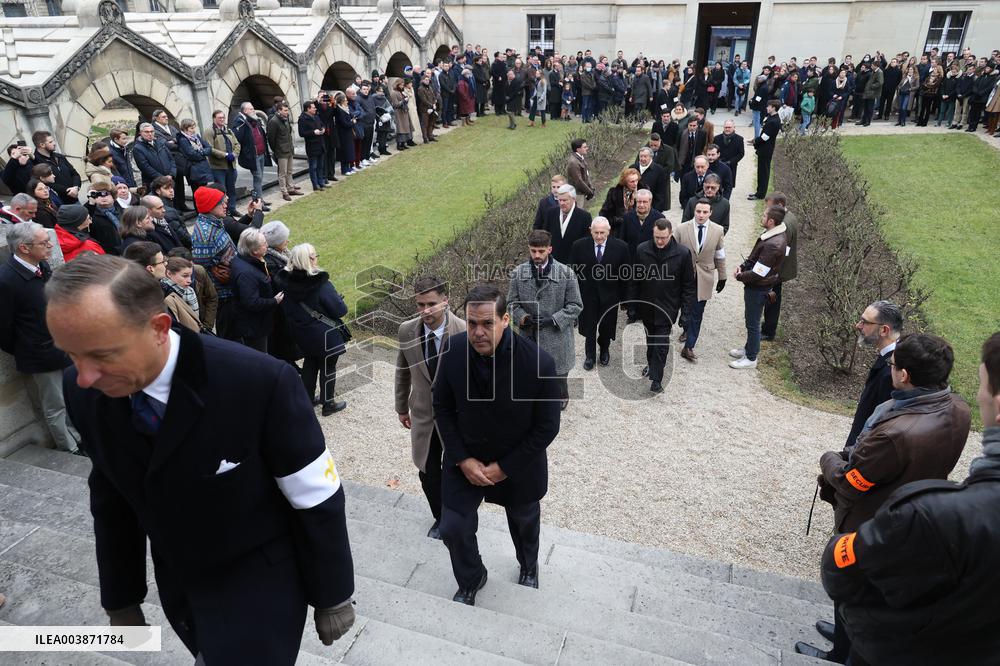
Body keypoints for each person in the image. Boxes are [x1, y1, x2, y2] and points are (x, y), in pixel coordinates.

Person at [46, 254, 355, 663]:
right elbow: (112, 495)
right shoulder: (83, 389)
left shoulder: (258, 382)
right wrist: (121, 597)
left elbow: (315, 493)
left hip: (261, 582)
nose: (84, 376)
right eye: (72, 355)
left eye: (102, 355)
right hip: (183, 590)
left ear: (159, 328)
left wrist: (333, 593)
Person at [819, 332, 1000, 665]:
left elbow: (851, 483)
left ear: (903, 375)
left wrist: (829, 460)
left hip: (873, 515)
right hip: (917, 492)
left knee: (860, 582)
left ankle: (840, 651)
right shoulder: (958, 408)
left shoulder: (894, 434)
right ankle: (841, 636)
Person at [432, 284, 561, 604]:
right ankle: (472, 577)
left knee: (524, 523)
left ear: (506, 320)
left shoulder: (539, 363)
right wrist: (462, 459)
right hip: (465, 461)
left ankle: (528, 566)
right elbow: (442, 407)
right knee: (452, 527)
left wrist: (505, 468)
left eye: (487, 323)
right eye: (472, 323)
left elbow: (547, 427)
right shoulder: (452, 350)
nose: (478, 332)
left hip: (518, 464)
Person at [394, 276, 467, 538]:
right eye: (420, 304)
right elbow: (402, 370)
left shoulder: (464, 331)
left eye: (431, 304)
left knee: (456, 471)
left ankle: (457, 517)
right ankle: (440, 517)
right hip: (423, 415)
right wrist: (401, 407)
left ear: (445, 301)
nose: (425, 311)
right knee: (427, 472)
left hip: (456, 418)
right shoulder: (406, 331)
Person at [0, 221, 81, 454]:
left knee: (71, 396)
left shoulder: (41, 265)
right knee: (55, 404)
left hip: (61, 345)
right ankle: (69, 448)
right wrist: (29, 345)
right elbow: (4, 327)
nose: (50, 246)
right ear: (24, 248)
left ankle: (79, 436)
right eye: (44, 243)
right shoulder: (6, 280)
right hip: (39, 354)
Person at [507, 230, 583, 410]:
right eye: (533, 251)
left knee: (559, 372)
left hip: (557, 337)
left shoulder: (566, 273)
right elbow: (511, 303)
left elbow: (575, 305)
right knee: (530, 370)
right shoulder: (518, 273)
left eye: (541, 251)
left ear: (549, 249)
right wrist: (524, 318)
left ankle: (562, 393)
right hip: (529, 335)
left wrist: (553, 320)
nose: (537, 255)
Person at [273, 243, 350, 416]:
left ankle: (306, 401)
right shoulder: (321, 284)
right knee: (328, 366)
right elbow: (340, 310)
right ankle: (328, 404)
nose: (317, 259)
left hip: (300, 332)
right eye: (315, 256)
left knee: (310, 364)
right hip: (324, 333)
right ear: (308, 260)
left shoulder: (284, 282)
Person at [628, 218, 696, 393]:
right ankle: (651, 364)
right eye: (657, 237)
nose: (659, 241)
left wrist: (685, 313)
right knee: (651, 340)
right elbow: (634, 280)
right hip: (646, 306)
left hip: (667, 307)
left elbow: (688, 286)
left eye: (663, 237)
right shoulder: (642, 250)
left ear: (671, 234)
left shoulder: (682, 254)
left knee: (661, 343)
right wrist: (632, 306)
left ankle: (657, 380)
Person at [729, 205, 787, 369]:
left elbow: (759, 272)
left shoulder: (773, 244)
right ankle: (749, 349)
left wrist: (740, 276)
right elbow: (755, 259)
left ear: (771, 221)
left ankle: (751, 357)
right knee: (751, 322)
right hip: (759, 286)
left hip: (758, 288)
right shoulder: (774, 235)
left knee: (752, 324)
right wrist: (743, 266)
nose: (762, 217)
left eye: (764, 215)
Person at [569, 216, 629, 370]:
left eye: (602, 232)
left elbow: (625, 275)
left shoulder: (621, 247)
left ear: (609, 231)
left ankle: (604, 349)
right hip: (587, 295)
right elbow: (572, 273)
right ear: (591, 231)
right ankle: (590, 355)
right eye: (596, 232)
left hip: (610, 296)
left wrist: (625, 299)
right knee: (589, 327)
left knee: (606, 326)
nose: (599, 236)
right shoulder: (578, 246)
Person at [675, 198, 726, 363]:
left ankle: (689, 346)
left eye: (705, 212)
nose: (701, 215)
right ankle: (686, 328)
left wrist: (722, 276)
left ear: (710, 213)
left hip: (705, 276)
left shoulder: (718, 230)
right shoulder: (681, 229)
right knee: (684, 307)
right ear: (694, 211)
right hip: (683, 277)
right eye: (698, 211)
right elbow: (672, 252)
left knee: (697, 312)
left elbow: (720, 254)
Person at [191, 186, 238, 339]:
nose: (225, 206)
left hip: (230, 289)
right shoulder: (204, 235)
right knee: (230, 337)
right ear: (209, 206)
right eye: (221, 203)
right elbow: (202, 269)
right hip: (223, 294)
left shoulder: (215, 222)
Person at [229, 227, 283, 353]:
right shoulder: (246, 274)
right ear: (254, 251)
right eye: (264, 244)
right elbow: (252, 302)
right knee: (260, 355)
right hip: (254, 327)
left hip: (258, 322)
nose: (267, 245)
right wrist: (274, 301)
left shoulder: (244, 259)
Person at [760, 193, 798, 340]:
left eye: (769, 207)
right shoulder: (790, 216)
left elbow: (782, 250)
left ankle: (769, 331)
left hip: (777, 269)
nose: (767, 210)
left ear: (780, 205)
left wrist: (772, 270)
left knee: (772, 299)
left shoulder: (784, 225)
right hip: (781, 268)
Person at [533, 183, 592, 264]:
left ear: (573, 199)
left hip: (574, 264)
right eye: (560, 200)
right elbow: (545, 236)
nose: (562, 203)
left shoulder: (584, 217)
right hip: (553, 263)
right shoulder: (551, 213)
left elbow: (587, 243)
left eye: (565, 200)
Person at [232, 103, 271, 211]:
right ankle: (259, 203)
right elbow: (237, 138)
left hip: (261, 153)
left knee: (260, 178)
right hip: (253, 156)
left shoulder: (254, 120)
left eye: (253, 108)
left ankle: (259, 199)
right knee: (257, 178)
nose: (254, 110)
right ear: (245, 111)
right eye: (251, 109)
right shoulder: (240, 122)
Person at [31, 131, 80, 204]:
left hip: (74, 197)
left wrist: (76, 187)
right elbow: (45, 183)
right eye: (50, 142)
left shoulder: (59, 157)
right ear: (42, 145)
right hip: (57, 202)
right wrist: (67, 190)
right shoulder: (35, 162)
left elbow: (74, 174)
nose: (54, 143)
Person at [207, 110, 240, 216]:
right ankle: (223, 212)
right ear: (214, 118)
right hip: (218, 167)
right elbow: (209, 149)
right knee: (221, 191)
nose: (222, 119)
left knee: (231, 189)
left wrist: (234, 154)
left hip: (231, 165)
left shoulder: (228, 130)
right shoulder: (209, 131)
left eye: (223, 117)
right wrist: (225, 155)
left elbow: (237, 144)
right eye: (219, 118)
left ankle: (232, 209)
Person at [748, 100, 781, 201]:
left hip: (766, 150)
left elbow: (765, 137)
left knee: (763, 172)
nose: (767, 108)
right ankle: (759, 192)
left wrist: (755, 141)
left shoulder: (774, 121)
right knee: (761, 171)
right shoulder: (771, 118)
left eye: (768, 106)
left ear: (773, 108)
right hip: (765, 149)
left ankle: (760, 194)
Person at [265, 103, 299, 201]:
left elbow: (288, 133)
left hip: (289, 149)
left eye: (287, 110)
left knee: (289, 171)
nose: (287, 112)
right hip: (281, 151)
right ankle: (284, 192)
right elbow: (271, 138)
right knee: (282, 173)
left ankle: (291, 188)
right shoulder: (274, 121)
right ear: (279, 110)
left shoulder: (285, 119)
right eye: (285, 110)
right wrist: (276, 150)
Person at [132, 123, 176, 191]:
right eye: (146, 132)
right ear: (140, 133)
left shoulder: (160, 143)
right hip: (154, 183)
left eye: (152, 131)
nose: (150, 134)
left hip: (169, 180)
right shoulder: (138, 148)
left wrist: (171, 174)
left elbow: (171, 159)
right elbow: (145, 167)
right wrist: (162, 178)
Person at [598, 167, 639, 238]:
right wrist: (618, 220)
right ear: (625, 182)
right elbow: (605, 213)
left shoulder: (642, 191)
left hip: (636, 230)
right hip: (618, 231)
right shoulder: (614, 193)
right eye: (632, 182)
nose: (635, 184)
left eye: (636, 180)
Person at [84, 185, 123, 256]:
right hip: (108, 254)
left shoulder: (121, 210)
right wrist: (91, 203)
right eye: (98, 194)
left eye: (106, 194)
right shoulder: (91, 213)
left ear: (113, 196)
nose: (103, 197)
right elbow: (84, 221)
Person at [632, 147, 668, 212]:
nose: (643, 159)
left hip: (652, 208)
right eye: (641, 156)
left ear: (651, 157)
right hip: (634, 208)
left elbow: (661, 193)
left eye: (645, 156)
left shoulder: (659, 170)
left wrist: (655, 210)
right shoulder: (632, 168)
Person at [565, 138, 595, 202]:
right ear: (578, 149)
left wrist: (590, 187)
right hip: (576, 195)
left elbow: (585, 175)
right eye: (584, 147)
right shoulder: (573, 162)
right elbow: (578, 181)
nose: (587, 148)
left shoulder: (580, 159)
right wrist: (589, 192)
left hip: (580, 193)